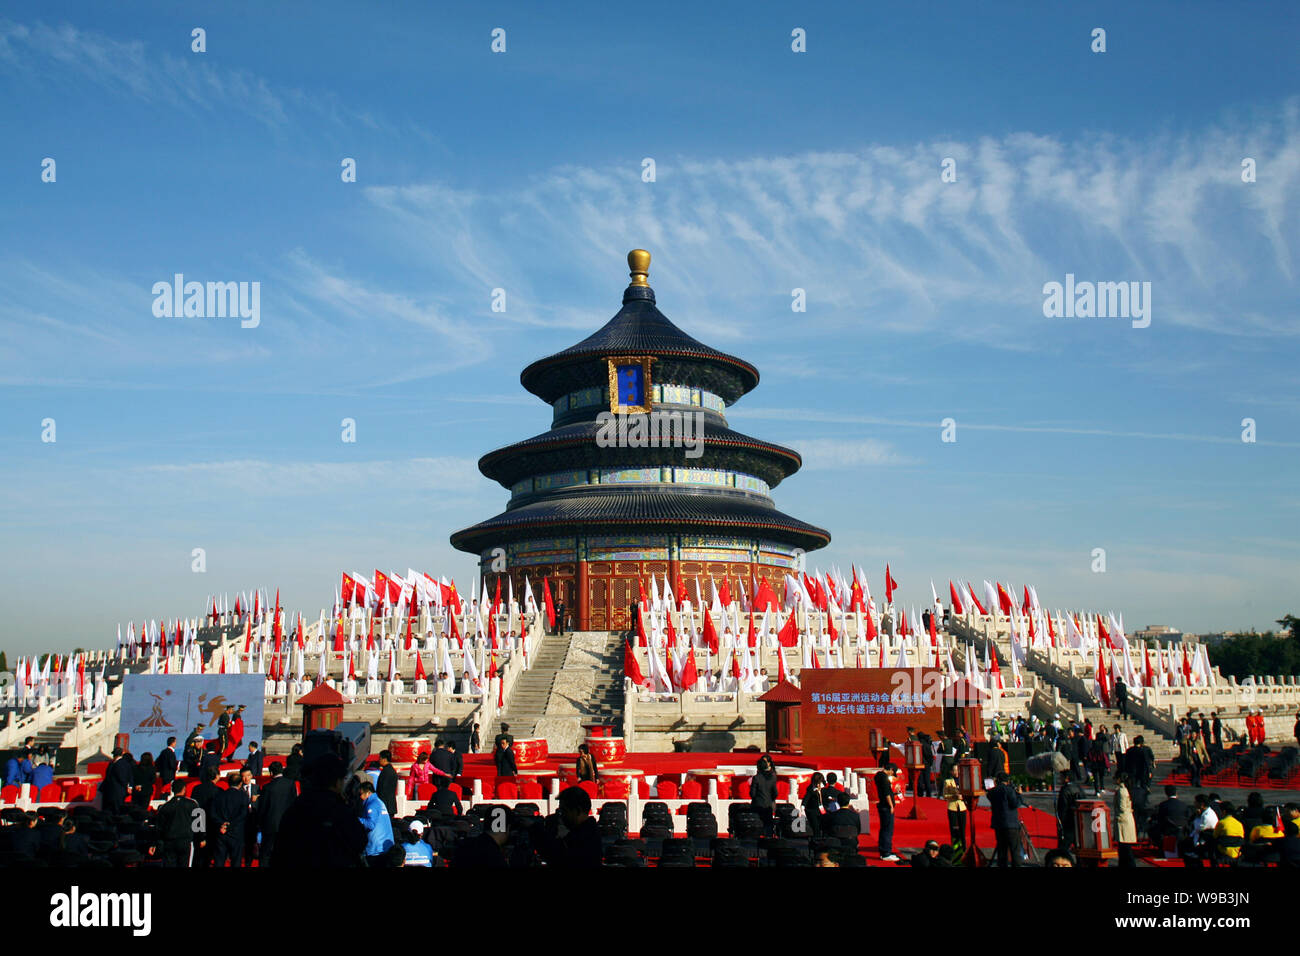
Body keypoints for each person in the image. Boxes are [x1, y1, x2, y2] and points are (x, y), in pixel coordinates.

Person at [272, 753, 368, 868]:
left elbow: (280, 848)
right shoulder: (338, 809)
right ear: (337, 782)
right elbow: (359, 841)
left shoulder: (297, 806)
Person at [539, 786, 603, 868]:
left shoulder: (585, 836)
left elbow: (559, 859)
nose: (561, 816)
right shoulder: (583, 831)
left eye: (564, 811)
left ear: (578, 811)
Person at [256, 761, 296, 866]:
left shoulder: (267, 787)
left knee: (266, 852)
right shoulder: (290, 784)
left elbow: (263, 808)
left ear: (271, 772)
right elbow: (294, 803)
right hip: (287, 824)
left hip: (270, 824)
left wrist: (259, 823)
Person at [155, 778, 200, 867]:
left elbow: (159, 827)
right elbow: (198, 823)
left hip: (169, 842)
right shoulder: (193, 804)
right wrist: (201, 837)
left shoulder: (165, 807)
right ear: (184, 789)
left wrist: (156, 842)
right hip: (185, 841)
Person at [211, 771, 249, 867]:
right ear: (240, 784)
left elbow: (213, 813)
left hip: (221, 831)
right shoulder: (243, 796)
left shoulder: (219, 795)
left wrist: (222, 823)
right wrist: (230, 824)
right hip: (236, 832)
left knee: (219, 861)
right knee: (236, 861)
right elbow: (243, 814)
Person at [987, 772, 1024, 868]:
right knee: (1014, 850)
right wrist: (1019, 795)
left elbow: (989, 795)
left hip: (998, 824)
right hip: (1011, 824)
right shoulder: (1009, 790)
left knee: (1001, 850)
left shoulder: (993, 792)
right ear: (1007, 781)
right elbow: (1015, 804)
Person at [358, 779, 396, 865]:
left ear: (368, 793)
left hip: (376, 849)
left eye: (361, 794)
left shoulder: (372, 804)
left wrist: (356, 820)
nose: (360, 797)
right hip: (385, 847)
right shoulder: (379, 802)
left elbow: (370, 824)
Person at [874, 764, 899, 862]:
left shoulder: (878, 776)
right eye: (893, 772)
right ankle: (886, 852)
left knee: (884, 828)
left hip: (882, 805)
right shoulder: (884, 778)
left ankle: (884, 850)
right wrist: (891, 806)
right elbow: (886, 793)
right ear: (891, 770)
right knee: (888, 829)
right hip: (886, 806)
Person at [750, 754, 778, 837]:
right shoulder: (772, 777)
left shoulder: (756, 778)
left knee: (757, 826)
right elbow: (775, 793)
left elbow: (752, 793)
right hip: (768, 805)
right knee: (768, 825)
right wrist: (770, 799)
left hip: (757, 805)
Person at [1114, 772, 1137, 867]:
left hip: (1123, 822)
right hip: (1127, 819)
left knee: (1125, 849)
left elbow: (1122, 808)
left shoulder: (1122, 791)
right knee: (1124, 849)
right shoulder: (1126, 789)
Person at [940, 766, 966, 849]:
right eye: (954, 770)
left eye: (958, 770)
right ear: (951, 772)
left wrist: (963, 797)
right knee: (954, 829)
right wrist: (954, 796)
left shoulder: (964, 780)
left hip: (962, 807)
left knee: (962, 829)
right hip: (952, 807)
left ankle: (963, 847)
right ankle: (955, 847)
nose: (956, 772)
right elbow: (945, 795)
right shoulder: (948, 782)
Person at [101, 748, 133, 814]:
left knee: (114, 809)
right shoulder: (124, 763)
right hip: (117, 791)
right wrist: (129, 786)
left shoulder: (117, 764)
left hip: (116, 791)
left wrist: (126, 786)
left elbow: (121, 777)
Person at [1056, 773, 1083, 850]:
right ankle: (1080, 861)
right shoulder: (1078, 787)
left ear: (1066, 778)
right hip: (1078, 818)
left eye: (1061, 777)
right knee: (1079, 844)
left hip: (1068, 820)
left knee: (1063, 845)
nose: (1060, 779)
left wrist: (1061, 821)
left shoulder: (1065, 790)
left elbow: (1063, 807)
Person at [375, 751, 399, 819]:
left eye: (380, 758)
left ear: (384, 759)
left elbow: (383, 789)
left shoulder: (386, 772)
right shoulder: (391, 770)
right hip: (390, 805)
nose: (379, 760)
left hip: (385, 805)